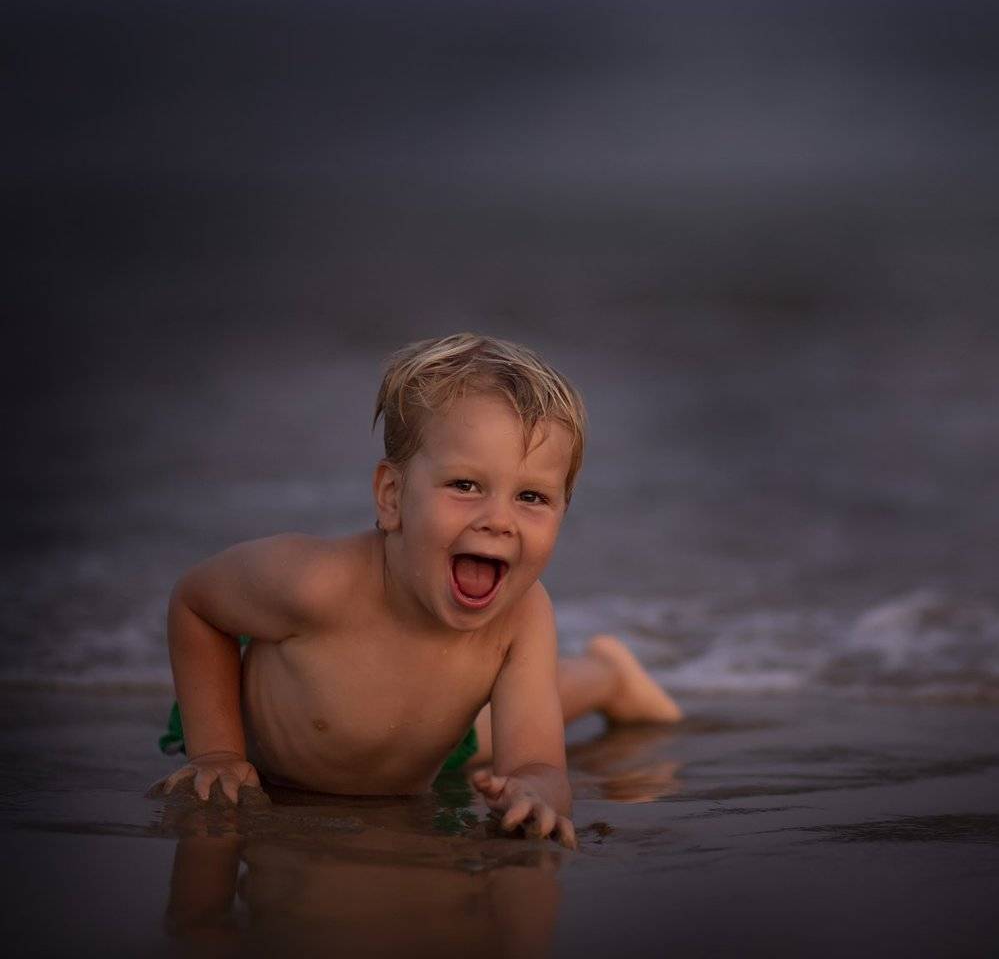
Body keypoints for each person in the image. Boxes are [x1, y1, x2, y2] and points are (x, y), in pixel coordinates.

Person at [149, 333, 683, 849]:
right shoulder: (314, 583)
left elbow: (536, 763)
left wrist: (535, 791)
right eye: (465, 485)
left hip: (434, 747)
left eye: (531, 497)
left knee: (501, 726)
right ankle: (607, 673)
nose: (499, 520)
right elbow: (197, 603)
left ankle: (608, 675)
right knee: (482, 733)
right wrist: (217, 752)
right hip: (292, 748)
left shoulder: (522, 615)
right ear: (392, 496)